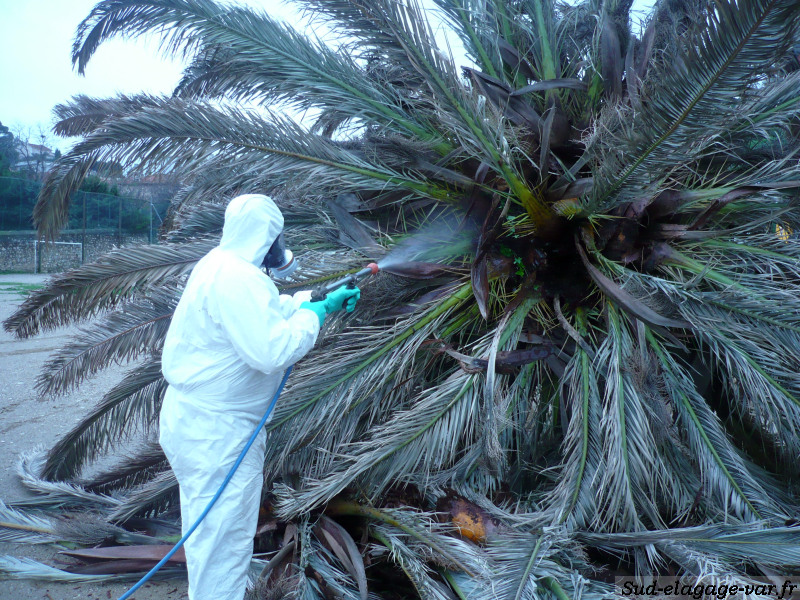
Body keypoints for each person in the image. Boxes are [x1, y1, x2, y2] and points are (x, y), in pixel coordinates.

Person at [159, 194, 360, 600]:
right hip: (218, 436)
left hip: (197, 424)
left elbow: (261, 312)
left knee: (210, 535)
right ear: (267, 237)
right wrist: (315, 316)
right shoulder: (239, 279)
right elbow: (273, 350)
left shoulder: (219, 265)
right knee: (225, 543)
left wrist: (313, 299)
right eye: (277, 238)